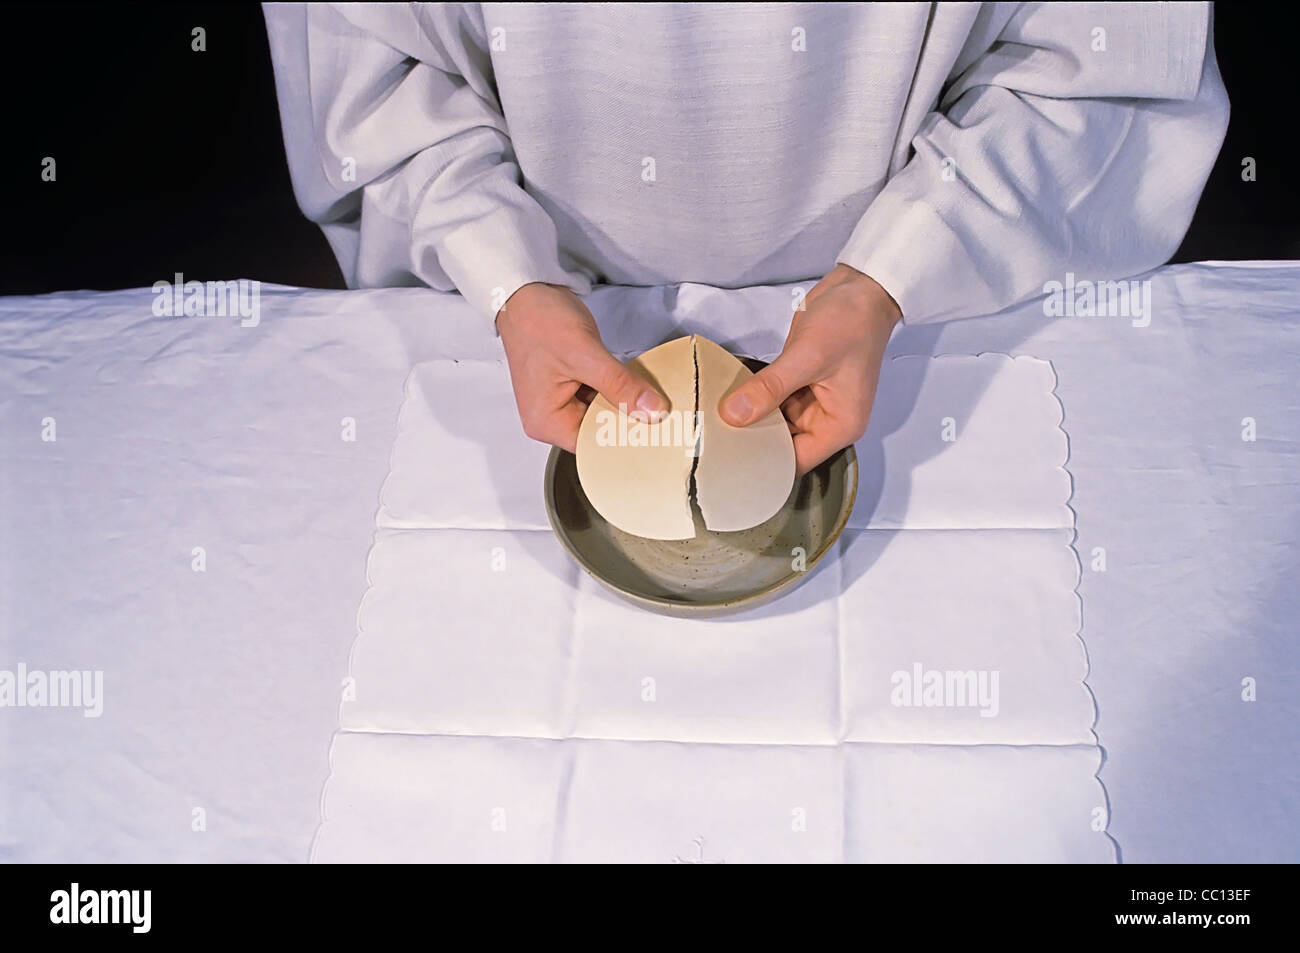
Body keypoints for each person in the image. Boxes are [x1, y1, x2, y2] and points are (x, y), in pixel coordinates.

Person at [265, 2, 1227, 474]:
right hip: (530, 322)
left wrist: (896, 272)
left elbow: (1105, 53)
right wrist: (504, 275)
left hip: (935, 298)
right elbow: (375, 75)